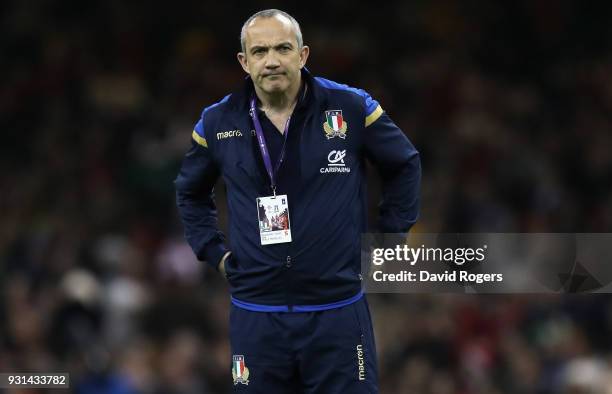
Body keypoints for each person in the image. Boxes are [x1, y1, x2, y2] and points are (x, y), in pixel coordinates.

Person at [175, 9, 421, 393]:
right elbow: (189, 192)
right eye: (259, 51)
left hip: (337, 310)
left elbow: (404, 164)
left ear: (303, 55)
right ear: (244, 61)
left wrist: (390, 238)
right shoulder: (216, 122)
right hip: (257, 314)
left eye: (282, 48)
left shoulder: (352, 108)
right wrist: (214, 252)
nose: (271, 60)